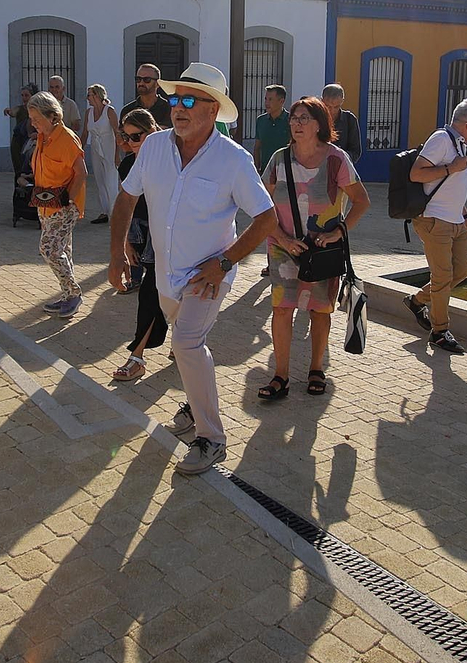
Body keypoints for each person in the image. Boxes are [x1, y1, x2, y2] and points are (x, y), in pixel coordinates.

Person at [109, 62, 276, 475]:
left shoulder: (233, 160)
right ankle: (192, 406)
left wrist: (225, 262)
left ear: (213, 110)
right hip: (165, 275)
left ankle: (211, 439)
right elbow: (127, 198)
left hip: (208, 276)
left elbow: (267, 218)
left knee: (185, 344)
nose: (178, 108)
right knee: (187, 349)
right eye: (175, 99)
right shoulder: (153, 147)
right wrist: (116, 253)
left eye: (190, 101)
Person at [258, 96, 371, 399]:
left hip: (322, 252)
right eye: (294, 118)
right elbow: (261, 204)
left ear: (320, 124)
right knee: (282, 309)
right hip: (283, 247)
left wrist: (339, 231)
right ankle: (280, 375)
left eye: (304, 118)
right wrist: (282, 238)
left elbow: (361, 201)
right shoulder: (279, 159)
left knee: (320, 311)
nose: (297, 123)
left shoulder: (336, 159)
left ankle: (316, 369)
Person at [402, 99, 467, 355]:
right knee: (441, 277)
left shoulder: (459, 143)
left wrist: (466, 216)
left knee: (462, 271)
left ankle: (417, 301)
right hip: (434, 220)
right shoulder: (441, 140)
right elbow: (416, 174)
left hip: (455, 221)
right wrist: (451, 167)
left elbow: (452, 186)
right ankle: (439, 332)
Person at [111, 109, 166, 380]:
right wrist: (126, 245)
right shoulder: (127, 165)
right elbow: (126, 205)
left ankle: (137, 356)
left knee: (151, 293)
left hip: (168, 237)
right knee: (163, 292)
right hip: (141, 235)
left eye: (136, 136)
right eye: (126, 137)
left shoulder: (170, 160)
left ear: (153, 131)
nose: (130, 143)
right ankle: (180, 343)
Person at [29, 91, 88, 318]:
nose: (33, 123)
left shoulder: (67, 139)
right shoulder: (43, 137)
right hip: (45, 203)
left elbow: (81, 172)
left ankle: (73, 293)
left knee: (49, 249)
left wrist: (68, 201)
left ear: (53, 116)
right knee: (62, 251)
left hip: (63, 206)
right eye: (31, 119)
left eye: (37, 119)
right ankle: (67, 296)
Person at [82, 84, 120, 224]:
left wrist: (117, 155)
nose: (87, 98)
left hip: (109, 149)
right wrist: (79, 150)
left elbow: (117, 133)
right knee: (100, 180)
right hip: (95, 149)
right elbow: (85, 133)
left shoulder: (109, 111)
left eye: (89, 95)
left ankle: (115, 213)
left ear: (97, 95)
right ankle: (105, 211)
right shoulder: (89, 112)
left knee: (111, 181)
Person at [119, 63, 172, 129]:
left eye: (147, 79)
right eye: (138, 79)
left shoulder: (168, 108)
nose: (141, 83)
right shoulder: (127, 110)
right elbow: (121, 134)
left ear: (157, 84)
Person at [322, 83, 363, 162]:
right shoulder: (315, 118)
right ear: (322, 101)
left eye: (336, 107)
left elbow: (355, 151)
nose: (332, 111)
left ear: (342, 101)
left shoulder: (350, 120)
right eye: (328, 106)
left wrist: (340, 159)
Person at [253, 84, 289, 172]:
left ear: (281, 101)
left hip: (285, 172)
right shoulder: (261, 120)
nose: (267, 103)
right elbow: (257, 147)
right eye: (266, 99)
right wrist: (257, 169)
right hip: (265, 172)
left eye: (270, 99)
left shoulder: (291, 121)